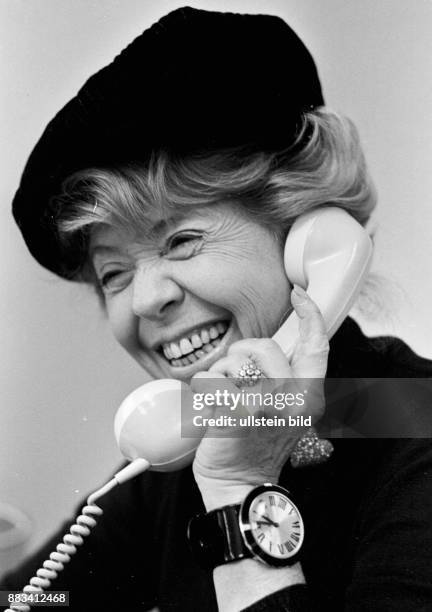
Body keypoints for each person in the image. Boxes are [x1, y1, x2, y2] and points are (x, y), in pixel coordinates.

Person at [2, 6, 432, 612]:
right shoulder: (178, 452)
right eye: (115, 274)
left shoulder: (415, 422)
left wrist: (237, 493)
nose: (147, 299)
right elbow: (34, 601)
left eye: (181, 241)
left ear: (306, 235)